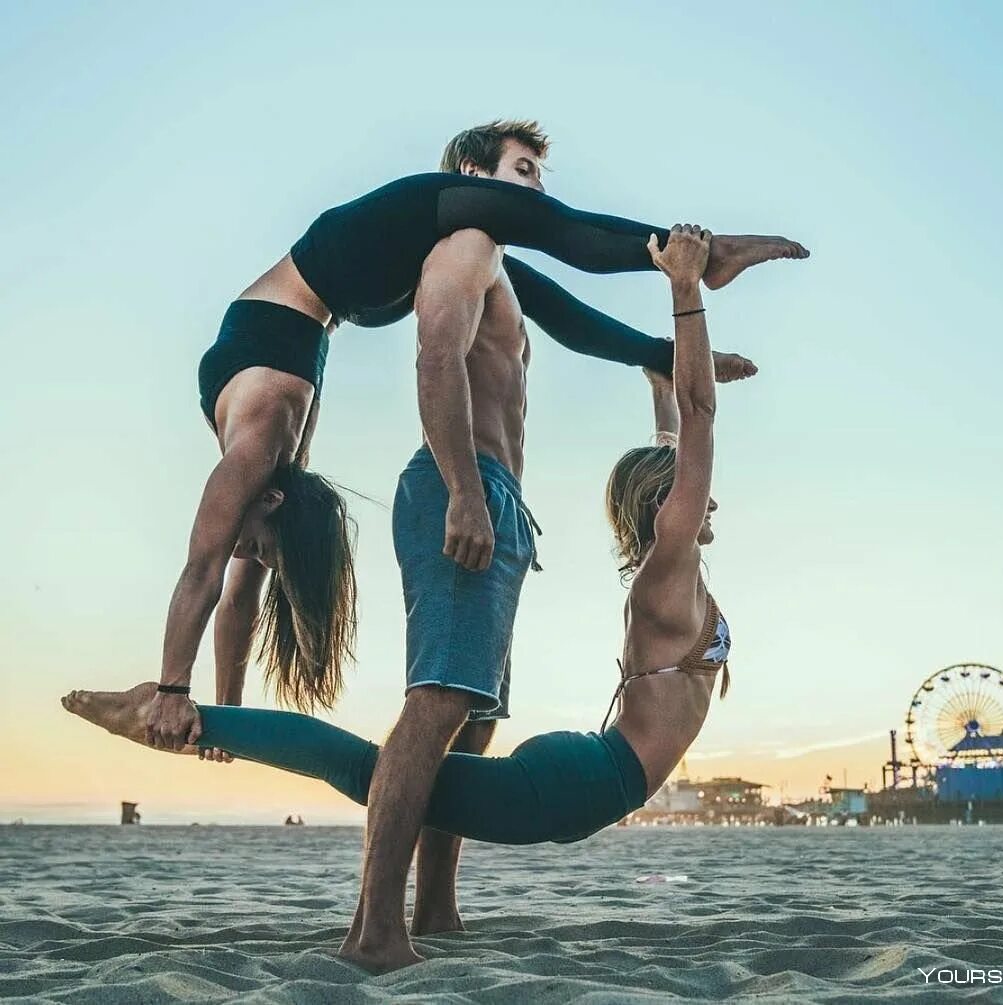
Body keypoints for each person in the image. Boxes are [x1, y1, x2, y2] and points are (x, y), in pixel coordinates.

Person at [64, 222, 738, 969]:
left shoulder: (671, 548)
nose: (712, 504)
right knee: (373, 761)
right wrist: (683, 290)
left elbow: (678, 430)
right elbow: (700, 417)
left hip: (585, 763)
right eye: (697, 496)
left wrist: (657, 370)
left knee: (450, 739)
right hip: (579, 787)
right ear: (666, 506)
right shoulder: (671, 558)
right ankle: (193, 724)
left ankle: (435, 909)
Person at [147, 119, 808, 759]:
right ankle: (707, 254)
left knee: (539, 262)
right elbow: (208, 571)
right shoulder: (273, 434)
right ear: (471, 171)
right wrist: (174, 689)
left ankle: (697, 262)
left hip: (287, 336)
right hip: (280, 331)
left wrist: (219, 721)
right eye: (524, 173)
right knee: (558, 233)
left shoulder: (280, 439)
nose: (536, 192)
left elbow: (563, 316)